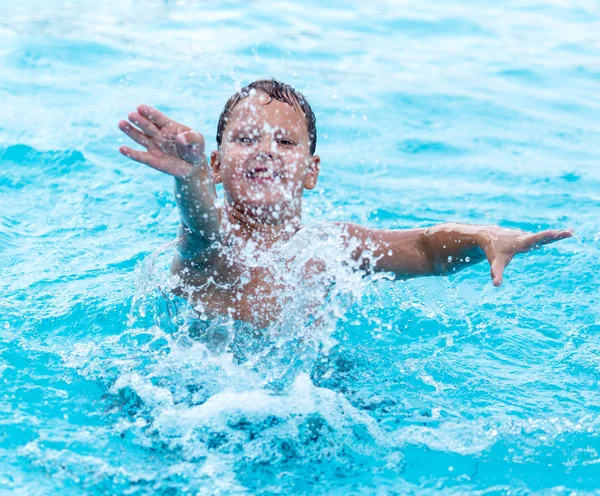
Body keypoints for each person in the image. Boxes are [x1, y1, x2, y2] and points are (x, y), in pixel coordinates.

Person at [118, 79, 572, 328]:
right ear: (217, 164)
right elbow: (200, 229)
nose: (266, 149)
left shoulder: (328, 245)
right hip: (193, 394)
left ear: (311, 170)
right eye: (246, 138)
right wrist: (191, 177)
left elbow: (428, 249)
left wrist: (485, 238)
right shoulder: (218, 237)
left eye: (285, 141)